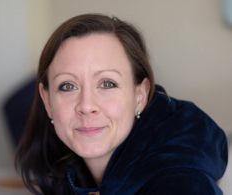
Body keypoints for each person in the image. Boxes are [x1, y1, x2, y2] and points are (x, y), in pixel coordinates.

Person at [15, 13, 228, 195]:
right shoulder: (67, 176)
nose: (87, 105)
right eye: (68, 86)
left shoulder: (182, 185)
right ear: (47, 100)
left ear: (140, 96)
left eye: (107, 83)